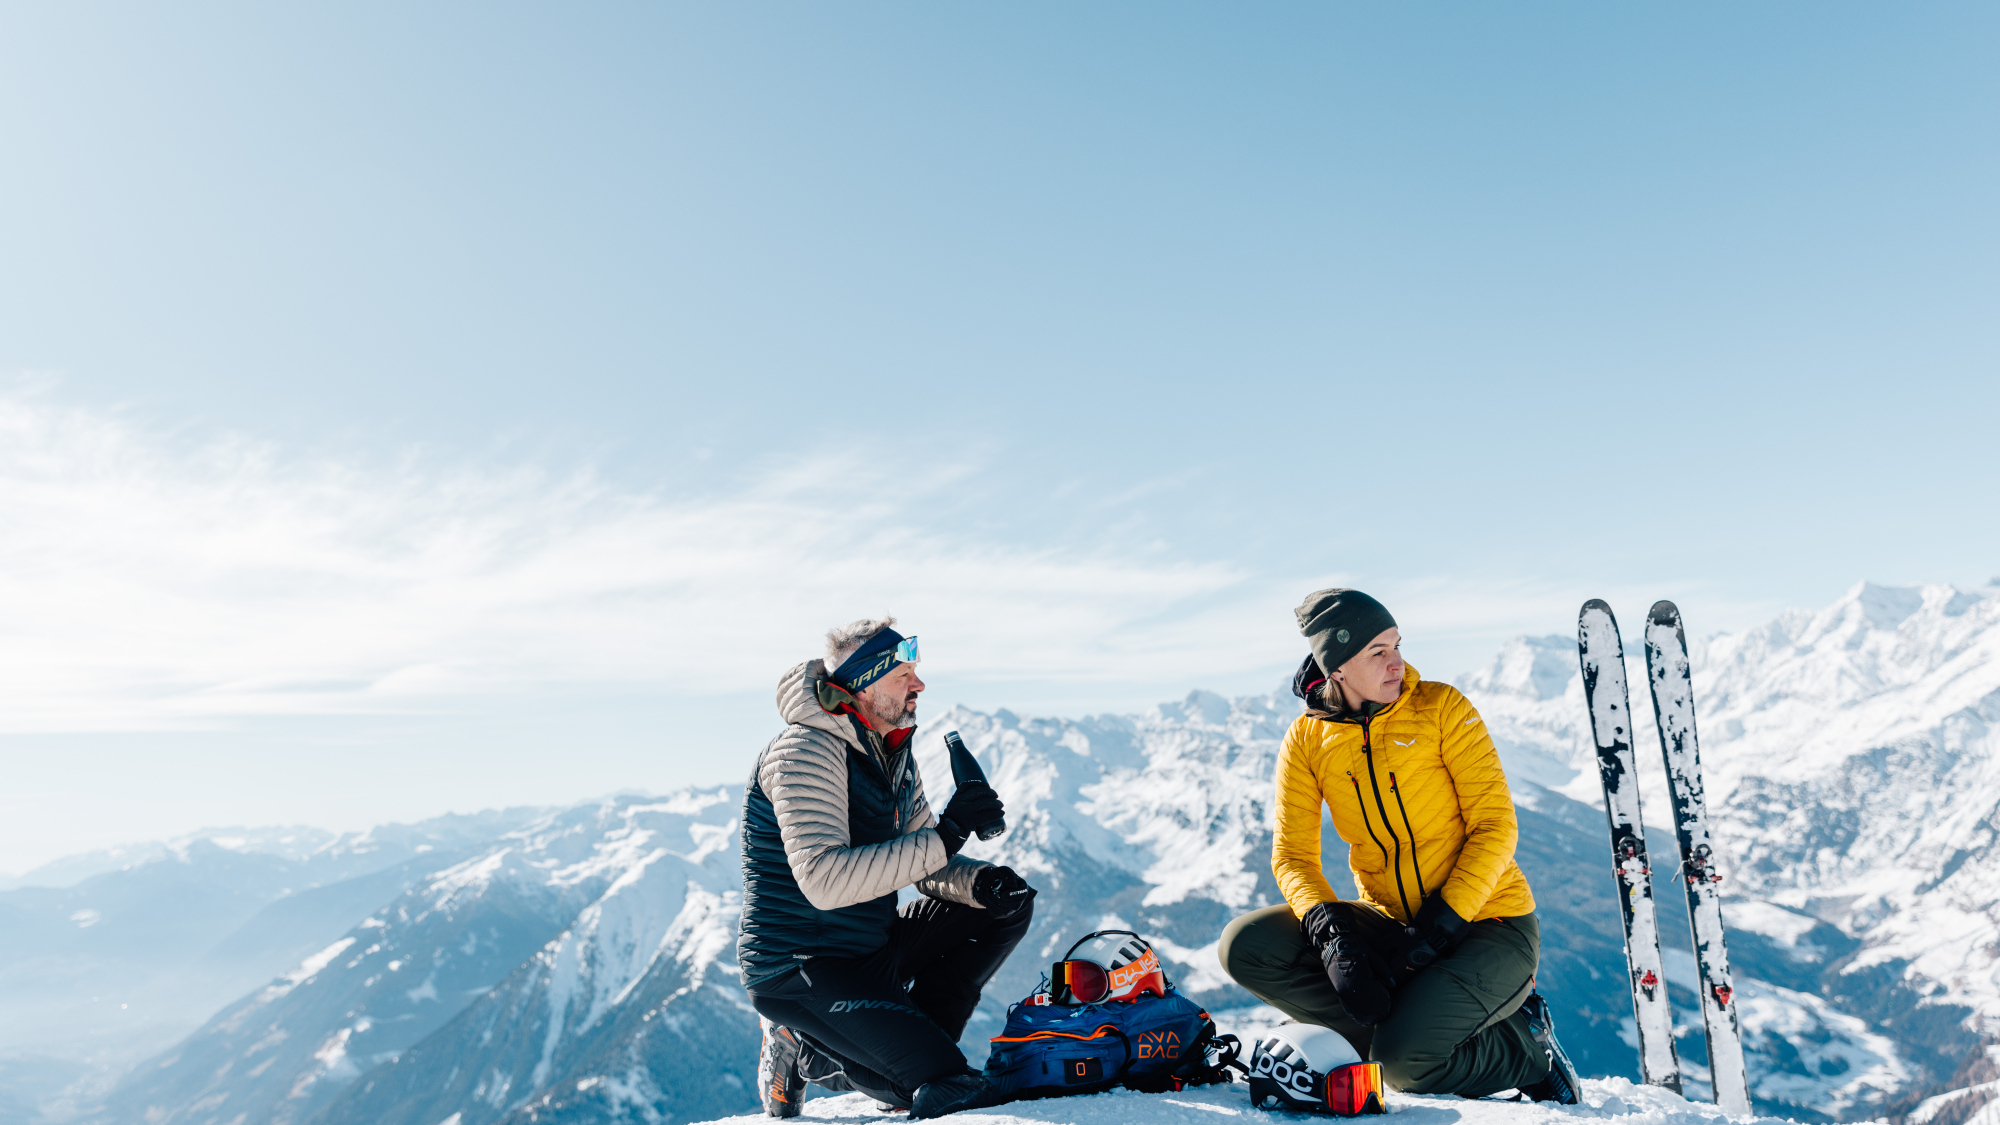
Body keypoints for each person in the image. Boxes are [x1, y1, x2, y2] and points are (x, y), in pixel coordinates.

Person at [1218, 589, 1580, 1103]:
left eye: (1396, 646)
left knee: (1404, 1068)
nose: (1398, 664)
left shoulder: (1441, 708)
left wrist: (1445, 922)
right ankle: (1401, 1029)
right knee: (1247, 946)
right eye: (1378, 652)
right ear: (1337, 666)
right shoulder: (1306, 740)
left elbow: (1495, 825)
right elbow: (1292, 856)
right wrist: (1333, 936)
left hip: (1488, 924)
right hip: (1392, 922)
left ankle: (1527, 1049)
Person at [739, 617, 1038, 1120]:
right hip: (802, 965)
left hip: (870, 947)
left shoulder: (891, 748)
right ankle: (804, 1046)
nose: (919, 685)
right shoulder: (804, 751)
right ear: (865, 682)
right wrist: (949, 832)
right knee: (943, 1088)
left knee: (1003, 907)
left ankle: (921, 1044)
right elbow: (825, 882)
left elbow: (923, 862)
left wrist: (982, 881)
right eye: (905, 675)